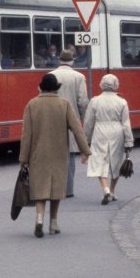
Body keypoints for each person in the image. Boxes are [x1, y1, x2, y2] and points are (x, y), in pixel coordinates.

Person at [19, 73, 91, 238]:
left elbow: (26, 134)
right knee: (56, 188)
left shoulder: (32, 104)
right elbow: (77, 129)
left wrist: (23, 158)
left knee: (39, 188)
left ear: (41, 87)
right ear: (56, 88)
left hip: (38, 154)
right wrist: (85, 151)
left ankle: (39, 219)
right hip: (59, 153)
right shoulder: (64, 104)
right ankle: (53, 222)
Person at [84, 74, 134, 205]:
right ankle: (112, 191)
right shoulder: (121, 102)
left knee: (100, 160)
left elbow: (88, 122)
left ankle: (104, 188)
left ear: (102, 84)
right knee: (115, 161)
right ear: (116, 85)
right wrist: (129, 141)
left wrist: (86, 139)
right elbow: (126, 124)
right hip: (117, 131)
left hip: (100, 130)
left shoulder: (95, 101)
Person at [49, 47, 88, 197]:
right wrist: (82, 118)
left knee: (55, 155)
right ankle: (68, 190)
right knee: (70, 155)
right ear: (72, 61)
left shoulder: (50, 75)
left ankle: (55, 188)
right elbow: (83, 101)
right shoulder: (79, 77)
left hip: (53, 119)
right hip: (72, 119)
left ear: (59, 60)